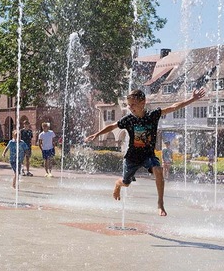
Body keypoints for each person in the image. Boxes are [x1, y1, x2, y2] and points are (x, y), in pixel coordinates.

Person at [85, 87, 206, 216]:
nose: (130, 108)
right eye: (129, 105)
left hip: (148, 155)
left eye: (133, 105)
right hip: (132, 157)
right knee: (126, 183)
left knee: (158, 170)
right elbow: (112, 125)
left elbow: (174, 107)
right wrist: (97, 134)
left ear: (143, 103)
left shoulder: (153, 116)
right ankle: (117, 184)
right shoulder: (129, 120)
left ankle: (160, 203)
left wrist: (192, 99)